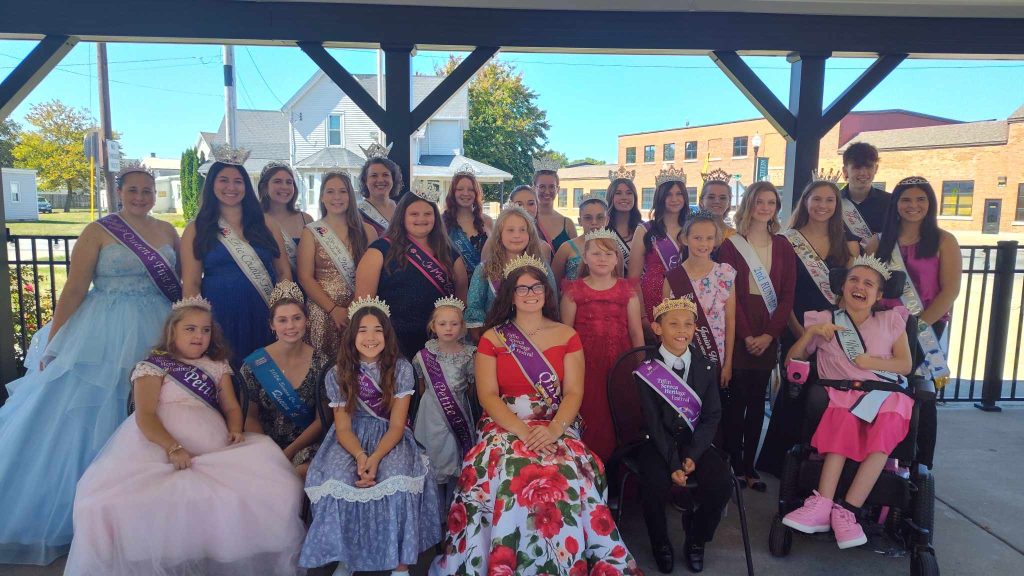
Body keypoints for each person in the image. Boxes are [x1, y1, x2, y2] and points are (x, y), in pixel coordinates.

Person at [0, 164, 180, 565]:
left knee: (150, 406)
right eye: (132, 190)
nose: (140, 197)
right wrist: (55, 340)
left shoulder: (168, 232)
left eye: (147, 191)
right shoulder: (97, 231)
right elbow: (76, 288)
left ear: (155, 194)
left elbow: (181, 282)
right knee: (93, 412)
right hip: (102, 331)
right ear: (120, 193)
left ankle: (140, 506)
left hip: (156, 325)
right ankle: (87, 512)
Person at [65, 297, 306, 575]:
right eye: (190, 329)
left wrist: (236, 428)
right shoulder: (153, 366)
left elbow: (230, 406)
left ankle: (219, 556)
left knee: (277, 485)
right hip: (156, 445)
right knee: (106, 503)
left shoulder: (217, 365)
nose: (199, 336)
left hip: (213, 447)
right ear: (173, 332)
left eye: (205, 330)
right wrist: (173, 447)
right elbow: (145, 416)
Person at [430, 257, 641, 576]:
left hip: (557, 423)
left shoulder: (567, 335)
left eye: (536, 287)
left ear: (546, 292)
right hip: (505, 424)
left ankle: (563, 563)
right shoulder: (493, 338)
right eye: (522, 288)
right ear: (510, 295)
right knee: (508, 470)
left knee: (568, 472)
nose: (530, 293)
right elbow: (488, 396)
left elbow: (573, 393)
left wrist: (556, 429)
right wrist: (522, 432)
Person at [301, 297, 441, 576]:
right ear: (352, 335)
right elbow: (342, 428)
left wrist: (375, 457)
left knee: (397, 477)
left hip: (390, 436)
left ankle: (400, 562)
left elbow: (397, 426)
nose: (370, 337)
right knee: (338, 479)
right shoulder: (337, 373)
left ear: (387, 334)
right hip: (350, 438)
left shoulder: (400, 369)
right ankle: (346, 556)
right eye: (362, 330)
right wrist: (361, 456)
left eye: (377, 329)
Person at [781, 256, 913, 550]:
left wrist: (870, 362)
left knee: (887, 424)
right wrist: (812, 334)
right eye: (854, 280)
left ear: (879, 295)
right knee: (842, 419)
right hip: (842, 393)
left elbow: (905, 365)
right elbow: (793, 360)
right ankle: (822, 505)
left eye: (869, 283)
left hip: (884, 393)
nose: (859, 287)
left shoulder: (892, 320)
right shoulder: (825, 320)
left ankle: (848, 511)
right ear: (842, 286)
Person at [757, 177, 860, 477]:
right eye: (816, 199)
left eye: (829, 200)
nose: (822, 205)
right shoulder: (788, 240)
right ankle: (781, 462)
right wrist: (800, 333)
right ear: (805, 202)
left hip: (833, 330)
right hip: (797, 326)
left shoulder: (846, 243)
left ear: (836, 206)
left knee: (829, 392)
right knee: (795, 390)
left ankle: (819, 461)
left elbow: (851, 291)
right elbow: (781, 292)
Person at [635, 297, 733, 574]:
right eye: (673, 323)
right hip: (658, 443)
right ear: (657, 328)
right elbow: (653, 423)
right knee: (653, 483)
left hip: (696, 444)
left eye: (688, 324)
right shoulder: (647, 370)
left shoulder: (707, 366)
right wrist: (674, 463)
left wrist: (692, 455)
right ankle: (660, 542)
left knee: (721, 484)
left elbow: (712, 415)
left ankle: (697, 538)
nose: (682, 330)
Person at [869, 176, 960, 470]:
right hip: (884, 328)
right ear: (895, 204)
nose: (914, 205)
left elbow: (950, 290)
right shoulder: (879, 242)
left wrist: (918, 325)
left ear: (930, 204)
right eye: (906, 199)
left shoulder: (944, 240)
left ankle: (918, 460)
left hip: (925, 327)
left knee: (920, 390)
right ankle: (880, 455)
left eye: (921, 199)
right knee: (882, 388)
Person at [181, 147, 291, 367]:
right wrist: (196, 326)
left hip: (264, 312)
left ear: (246, 186)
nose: (231, 187)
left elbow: (283, 272)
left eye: (238, 181)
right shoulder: (196, 229)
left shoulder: (266, 223)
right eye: (223, 180)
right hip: (220, 316)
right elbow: (191, 284)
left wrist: (284, 313)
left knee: (266, 376)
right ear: (212, 184)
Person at [718, 181, 795, 491]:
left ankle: (750, 465)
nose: (765, 207)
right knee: (736, 403)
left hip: (768, 330)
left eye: (771, 202)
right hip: (739, 328)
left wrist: (769, 334)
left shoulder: (784, 245)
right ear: (749, 204)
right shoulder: (731, 244)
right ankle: (733, 463)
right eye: (759, 201)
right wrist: (748, 334)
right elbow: (729, 293)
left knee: (755, 403)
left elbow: (787, 295)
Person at [355, 187, 469, 359]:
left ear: (435, 218)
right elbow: (363, 307)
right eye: (414, 214)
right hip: (392, 343)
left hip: (438, 343)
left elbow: (461, 304)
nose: (421, 219)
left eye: (427, 214)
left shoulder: (450, 254)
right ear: (402, 217)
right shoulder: (379, 251)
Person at [560, 230, 645, 460]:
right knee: (590, 414)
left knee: (619, 413)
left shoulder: (627, 290)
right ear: (585, 257)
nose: (602, 258)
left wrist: (641, 369)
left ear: (617, 258)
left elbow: (636, 332)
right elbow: (565, 334)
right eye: (596, 253)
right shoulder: (573, 291)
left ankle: (617, 474)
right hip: (585, 366)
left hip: (621, 364)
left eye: (608, 253)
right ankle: (588, 469)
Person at [241, 281, 333, 478]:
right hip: (264, 444)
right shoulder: (254, 364)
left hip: (304, 446)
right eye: (282, 320)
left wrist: (287, 453)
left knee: (303, 471)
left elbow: (321, 420)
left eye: (296, 318)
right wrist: (266, 451)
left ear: (307, 321)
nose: (290, 326)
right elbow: (250, 417)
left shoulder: (323, 363)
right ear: (272, 325)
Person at [412, 297, 477, 520]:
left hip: (458, 411)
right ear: (433, 326)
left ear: (462, 326)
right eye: (442, 324)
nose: (448, 328)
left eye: (454, 324)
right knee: (432, 459)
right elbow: (421, 387)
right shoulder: (423, 356)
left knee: (454, 459)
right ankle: (432, 515)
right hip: (430, 416)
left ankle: (454, 513)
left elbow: (470, 388)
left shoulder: (470, 355)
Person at [298, 170, 376, 357]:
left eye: (343, 191)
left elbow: (376, 274)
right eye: (330, 192)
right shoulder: (311, 232)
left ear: (351, 196)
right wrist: (333, 310)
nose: (337, 197)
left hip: (359, 310)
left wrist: (356, 309)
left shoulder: (368, 231)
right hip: (322, 311)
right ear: (322, 197)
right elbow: (305, 277)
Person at [663, 210, 736, 391]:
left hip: (715, 356)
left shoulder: (725, 274)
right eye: (697, 238)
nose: (704, 244)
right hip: (679, 356)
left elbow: (730, 321)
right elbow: (664, 322)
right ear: (685, 239)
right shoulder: (673, 278)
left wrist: (727, 364)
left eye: (709, 238)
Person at [465, 205, 557, 339]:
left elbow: (551, 303)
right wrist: (484, 344)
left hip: (535, 341)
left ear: (530, 234)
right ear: (499, 234)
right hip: (495, 342)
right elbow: (475, 309)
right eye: (510, 230)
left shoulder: (541, 266)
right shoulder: (485, 270)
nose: (517, 235)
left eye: (522, 230)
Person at [629, 167, 689, 328]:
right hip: (652, 300)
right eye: (668, 194)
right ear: (660, 198)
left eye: (679, 194)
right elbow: (633, 278)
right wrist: (641, 316)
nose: (674, 199)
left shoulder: (693, 229)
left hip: (687, 298)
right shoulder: (645, 230)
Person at [259, 161, 312, 274]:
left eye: (289, 182)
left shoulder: (306, 219)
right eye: (277, 181)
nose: (284, 187)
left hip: (300, 288)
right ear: (265, 186)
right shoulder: (255, 219)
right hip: (264, 288)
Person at [442, 167, 493, 277]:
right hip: (453, 285)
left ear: (476, 193)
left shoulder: (488, 221)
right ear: (453, 193)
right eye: (460, 189)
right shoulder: (442, 222)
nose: (466, 193)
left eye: (470, 189)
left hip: (483, 284)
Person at [839, 142, 891, 244]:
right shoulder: (833, 202)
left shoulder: (890, 202)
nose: (863, 173)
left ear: (876, 169)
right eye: (857, 167)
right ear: (845, 171)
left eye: (869, 167)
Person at [552, 197, 610, 283]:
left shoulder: (613, 248)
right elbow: (554, 282)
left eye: (600, 217)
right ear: (580, 221)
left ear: (607, 220)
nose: (594, 222)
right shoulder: (567, 248)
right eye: (588, 218)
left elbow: (619, 280)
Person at [533, 158, 578, 253]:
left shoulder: (568, 224)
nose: (547, 191)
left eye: (551, 187)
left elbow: (576, 256)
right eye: (542, 187)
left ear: (558, 189)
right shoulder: (526, 220)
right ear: (534, 188)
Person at [357, 143, 403, 236]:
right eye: (374, 175)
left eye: (385, 175)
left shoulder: (402, 209)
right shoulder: (356, 214)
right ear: (365, 180)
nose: (380, 180)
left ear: (393, 179)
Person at [605, 169, 644, 269]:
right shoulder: (602, 229)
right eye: (618, 193)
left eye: (629, 193)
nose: (624, 197)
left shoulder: (644, 229)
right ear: (610, 197)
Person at [698, 168, 737, 252]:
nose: (717, 201)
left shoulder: (735, 236)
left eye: (722, 198)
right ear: (701, 201)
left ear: (729, 202)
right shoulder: (691, 231)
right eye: (711, 197)